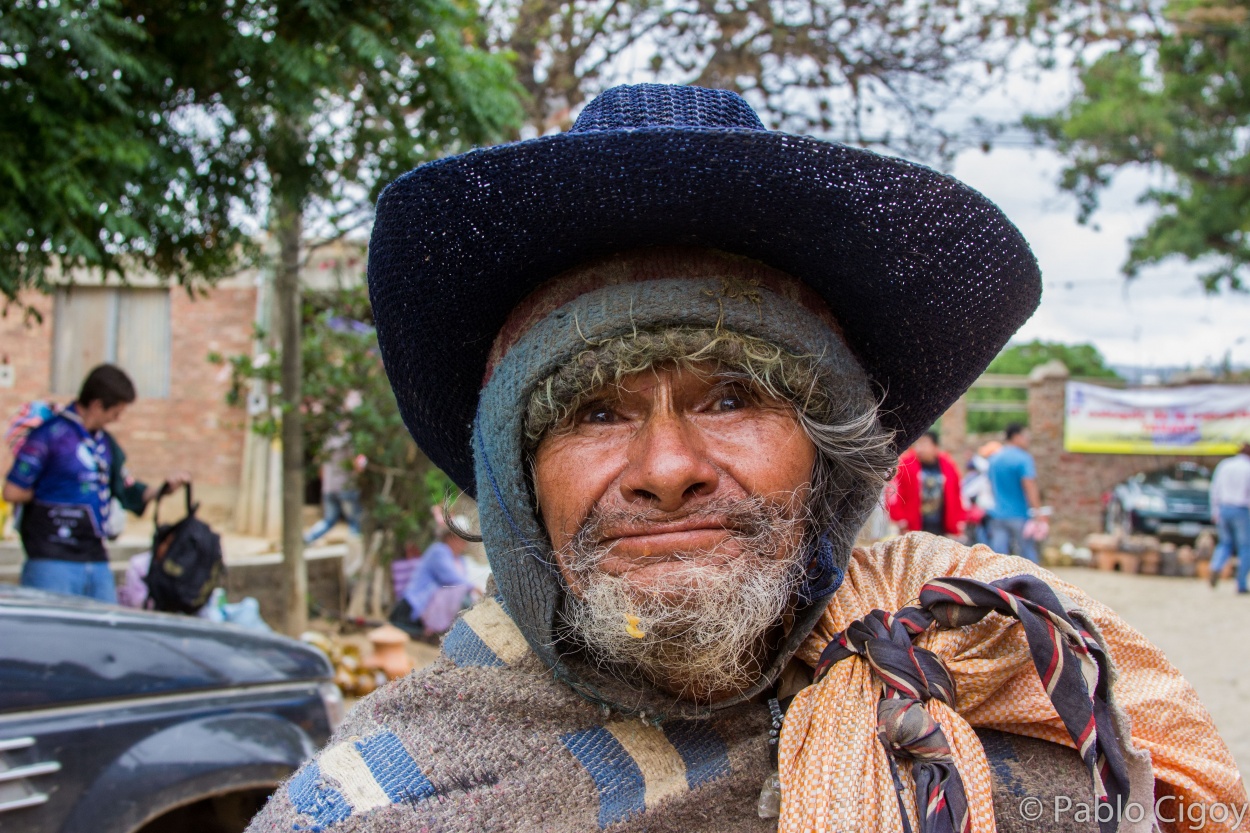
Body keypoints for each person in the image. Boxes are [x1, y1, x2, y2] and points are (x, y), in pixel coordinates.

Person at [247, 85, 1244, 833]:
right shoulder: (380, 798)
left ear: (828, 460)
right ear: (516, 483)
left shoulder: (1002, 707)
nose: (668, 464)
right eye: (593, 408)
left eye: (732, 396)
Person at [2, 364, 190, 601]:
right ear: (97, 405)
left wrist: (163, 489)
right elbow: (13, 491)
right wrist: (56, 489)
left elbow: (127, 489)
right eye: (115, 412)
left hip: (95, 558)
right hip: (52, 556)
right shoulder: (50, 435)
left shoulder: (105, 445)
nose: (117, 419)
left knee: (104, 631)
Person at [389, 515, 480, 639]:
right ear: (449, 537)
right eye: (459, 538)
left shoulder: (460, 560)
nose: (461, 543)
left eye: (464, 540)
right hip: (414, 606)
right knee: (462, 592)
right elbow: (452, 578)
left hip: (432, 606)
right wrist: (474, 587)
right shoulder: (439, 551)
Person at [886, 430, 964, 537]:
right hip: (912, 526)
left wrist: (958, 519)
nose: (919, 448)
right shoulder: (906, 465)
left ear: (935, 446)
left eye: (924, 444)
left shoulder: (948, 466)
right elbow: (894, 492)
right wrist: (899, 517)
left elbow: (956, 493)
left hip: (941, 526)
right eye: (917, 444)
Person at [985, 423, 1042, 563]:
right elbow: (1029, 486)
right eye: (1025, 436)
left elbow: (990, 485)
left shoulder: (994, 459)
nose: (1027, 439)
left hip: (997, 514)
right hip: (1019, 514)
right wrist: (1038, 511)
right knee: (1027, 557)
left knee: (999, 557)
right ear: (1016, 437)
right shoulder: (1023, 458)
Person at [303, 431, 362, 544]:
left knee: (328, 520)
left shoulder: (327, 440)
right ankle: (354, 554)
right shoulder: (348, 439)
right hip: (346, 487)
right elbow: (355, 464)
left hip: (329, 488)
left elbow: (319, 468)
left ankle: (308, 538)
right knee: (354, 522)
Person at [1208, 442, 1250, 592]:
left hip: (1223, 507)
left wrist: (1214, 511)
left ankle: (1216, 566)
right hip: (1241, 509)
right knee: (1245, 547)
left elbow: (1214, 489)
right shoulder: (1248, 468)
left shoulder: (1225, 465)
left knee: (1225, 543)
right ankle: (1241, 583)